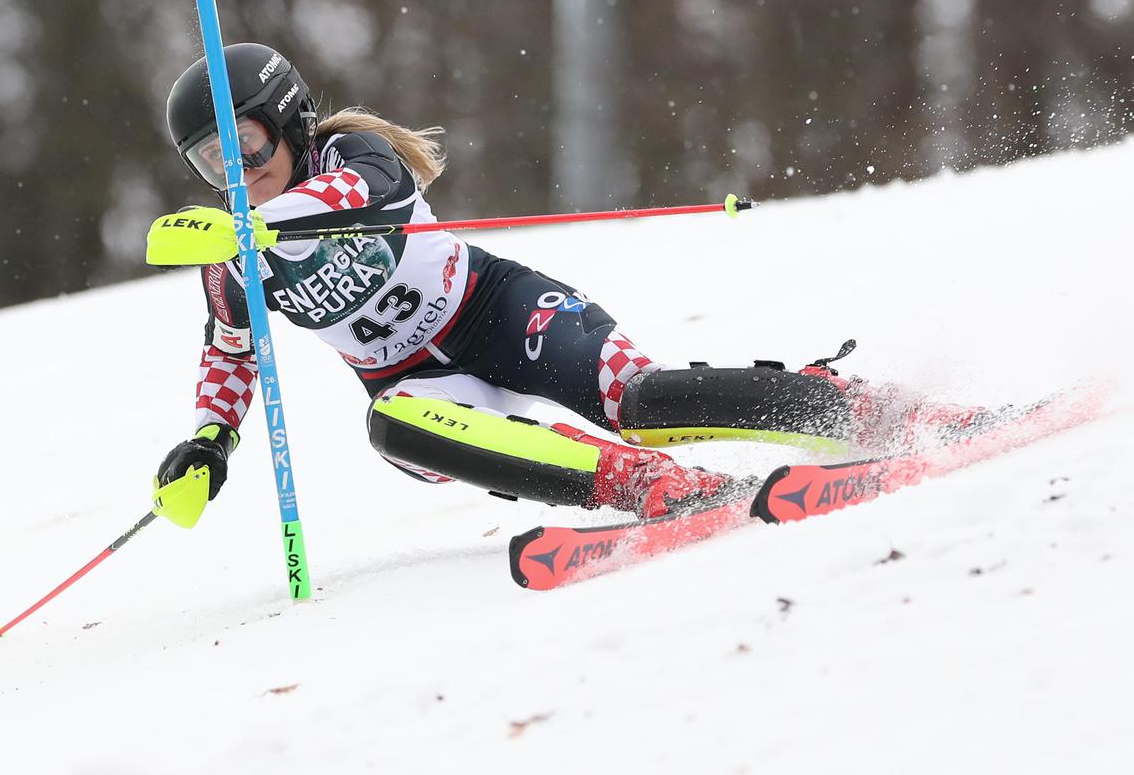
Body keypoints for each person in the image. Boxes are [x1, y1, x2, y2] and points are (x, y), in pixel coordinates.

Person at [150, 43, 971, 523]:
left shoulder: (352, 161)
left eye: (247, 147)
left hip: (499, 309)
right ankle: (649, 490)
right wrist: (207, 442)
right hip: (421, 386)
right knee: (392, 428)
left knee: (639, 401)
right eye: (214, 163)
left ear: (289, 122)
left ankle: (857, 408)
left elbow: (368, 196)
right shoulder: (233, 250)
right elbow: (231, 352)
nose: (239, 175)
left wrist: (266, 221)